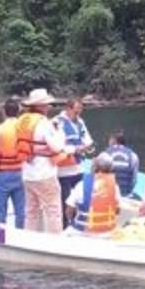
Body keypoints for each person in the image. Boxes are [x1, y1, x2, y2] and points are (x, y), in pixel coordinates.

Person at [16, 88, 72, 233]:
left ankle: (29, 240)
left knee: (31, 211)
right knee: (53, 210)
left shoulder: (22, 121)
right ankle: (53, 244)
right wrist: (60, 132)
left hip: (27, 174)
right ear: (39, 106)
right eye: (46, 104)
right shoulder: (44, 123)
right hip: (44, 174)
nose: (48, 107)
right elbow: (57, 146)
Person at [52, 97, 95, 227]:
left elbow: (88, 140)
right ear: (68, 109)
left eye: (80, 111)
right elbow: (57, 145)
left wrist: (88, 147)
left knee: (82, 196)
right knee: (65, 201)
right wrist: (75, 149)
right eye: (76, 111)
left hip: (78, 167)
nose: (78, 114)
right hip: (64, 170)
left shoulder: (80, 122)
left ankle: (80, 224)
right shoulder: (57, 123)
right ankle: (65, 227)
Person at [66, 154, 120, 235]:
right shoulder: (115, 187)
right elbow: (117, 210)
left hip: (81, 231)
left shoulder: (81, 184)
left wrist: (71, 221)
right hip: (106, 233)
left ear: (94, 167)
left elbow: (69, 210)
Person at [105, 130, 140, 198]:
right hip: (126, 196)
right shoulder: (133, 156)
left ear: (113, 141)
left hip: (110, 196)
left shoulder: (106, 154)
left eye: (109, 140)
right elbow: (134, 180)